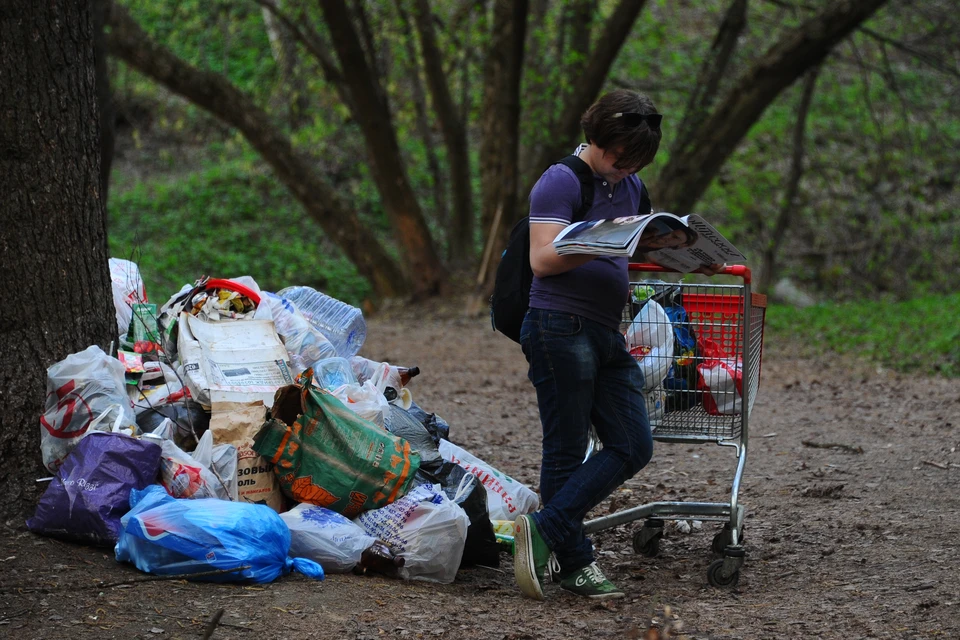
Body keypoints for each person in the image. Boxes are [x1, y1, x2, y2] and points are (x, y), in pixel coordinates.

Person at [515, 89, 661, 601]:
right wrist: (602, 242)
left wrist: (686, 254)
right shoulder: (561, 181)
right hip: (558, 324)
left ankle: (545, 528)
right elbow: (542, 260)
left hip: (606, 329)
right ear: (597, 140)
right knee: (566, 449)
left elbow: (636, 247)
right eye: (620, 160)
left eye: (635, 163)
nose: (625, 171)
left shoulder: (633, 186)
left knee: (632, 443)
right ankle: (576, 563)